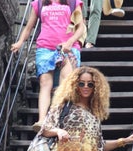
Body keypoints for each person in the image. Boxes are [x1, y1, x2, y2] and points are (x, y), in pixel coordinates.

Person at [11, 0, 86, 132]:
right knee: (45, 82)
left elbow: (81, 27)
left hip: (67, 47)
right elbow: (29, 27)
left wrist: (70, 42)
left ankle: (59, 118)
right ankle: (41, 120)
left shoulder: (73, 2)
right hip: (45, 47)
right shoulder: (39, 3)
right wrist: (20, 42)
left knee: (65, 84)